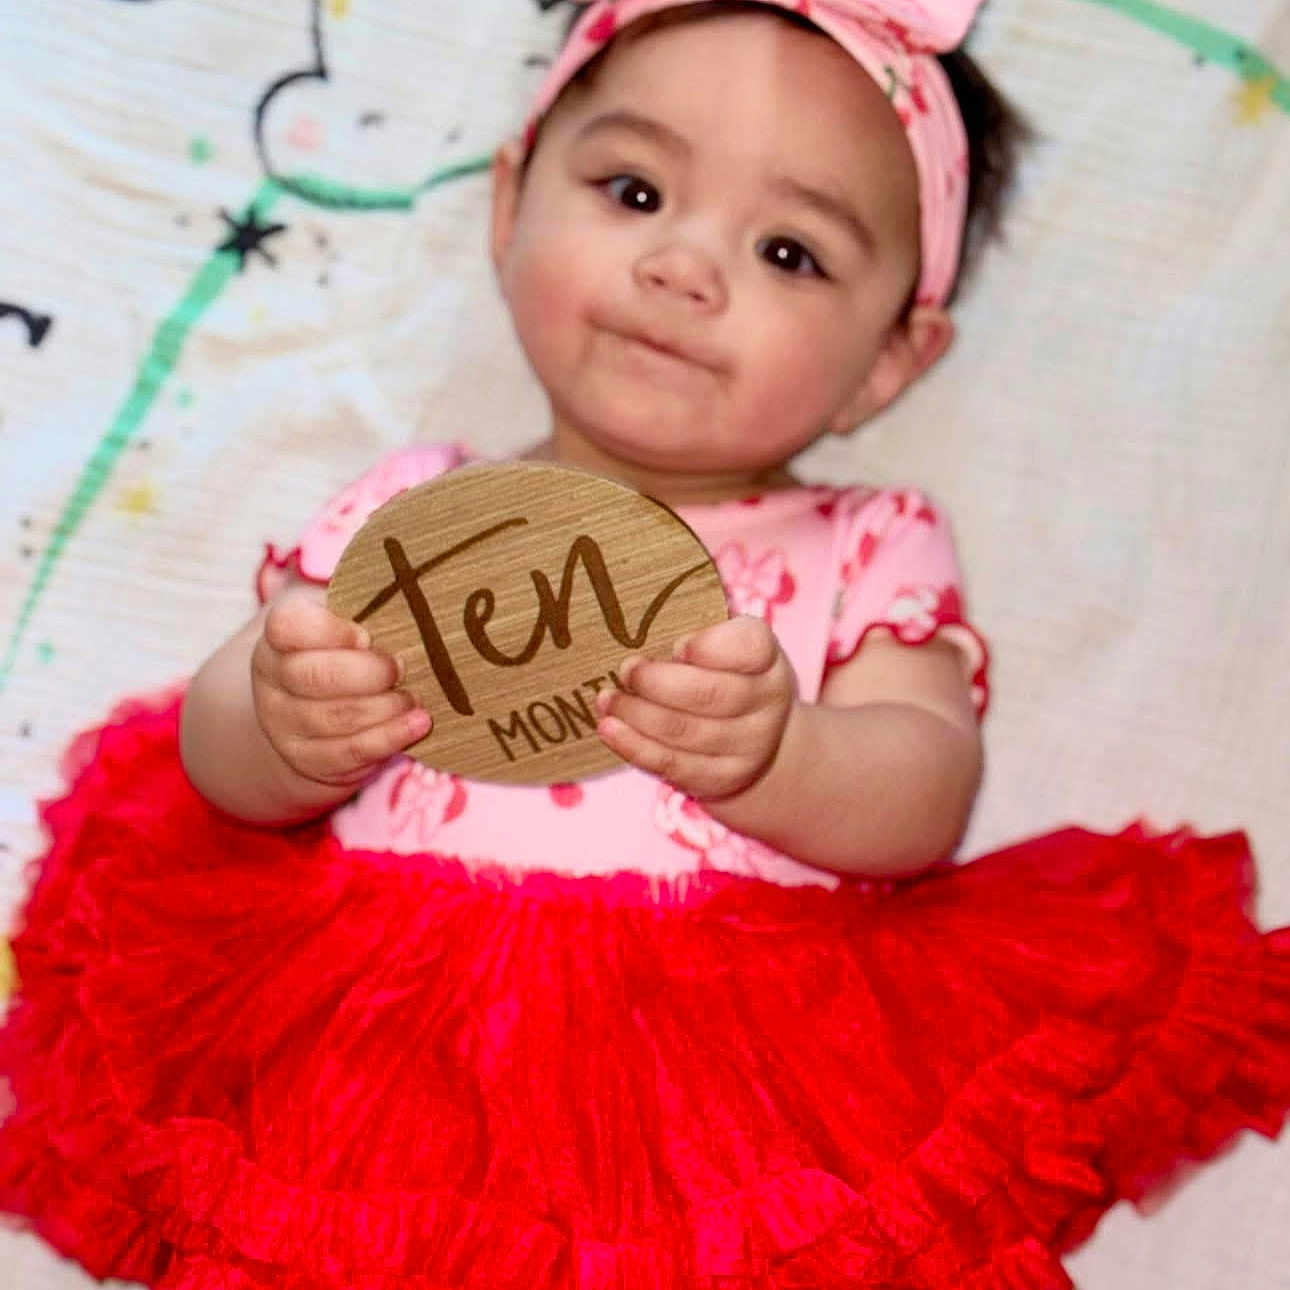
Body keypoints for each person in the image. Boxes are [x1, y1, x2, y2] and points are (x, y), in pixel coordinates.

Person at [2, 3, 1287, 1288]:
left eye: (788, 252)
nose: (685, 267)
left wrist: (785, 757)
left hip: (725, 1096)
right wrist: (282, 721)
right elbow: (220, 760)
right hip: (374, 1058)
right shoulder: (416, 508)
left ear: (892, 361)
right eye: (633, 191)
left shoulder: (864, 541)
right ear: (511, 203)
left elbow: (925, 792)